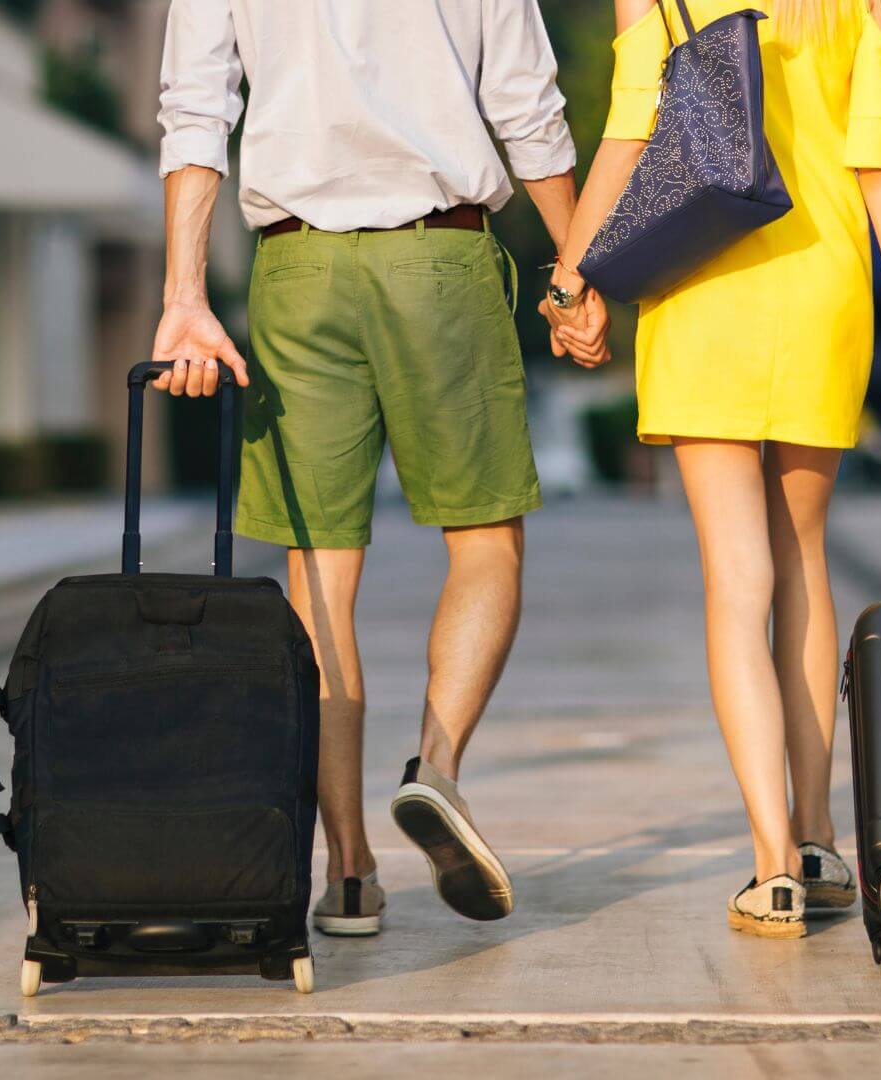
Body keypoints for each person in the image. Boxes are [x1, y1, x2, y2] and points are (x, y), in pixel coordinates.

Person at [156, 0, 607, 936]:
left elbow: (195, 112)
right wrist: (572, 275)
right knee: (484, 544)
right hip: (441, 258)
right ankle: (436, 771)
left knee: (320, 579)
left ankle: (350, 872)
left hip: (297, 270)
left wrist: (185, 297)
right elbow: (528, 110)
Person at [547, 0, 881, 939]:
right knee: (803, 564)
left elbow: (628, 135)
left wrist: (570, 284)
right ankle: (821, 841)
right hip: (822, 290)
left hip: (701, 289)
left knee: (736, 580)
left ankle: (772, 865)